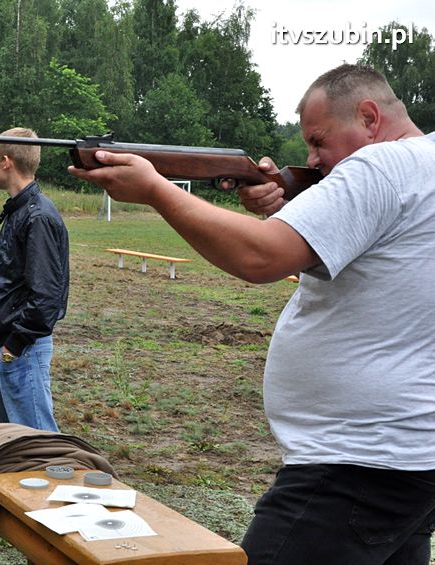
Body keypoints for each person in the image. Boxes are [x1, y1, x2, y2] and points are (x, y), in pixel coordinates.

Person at [69, 63, 435, 565]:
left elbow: (260, 258)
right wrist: (283, 208)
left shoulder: (379, 167)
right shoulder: (425, 166)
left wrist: (156, 189)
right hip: (410, 458)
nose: (312, 157)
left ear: (369, 118)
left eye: (319, 141)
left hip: (356, 464)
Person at [0, 128, 70, 433]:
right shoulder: (17, 211)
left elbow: (46, 294)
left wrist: (14, 345)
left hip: (21, 349)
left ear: (6, 161)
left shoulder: (38, 216)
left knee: (37, 444)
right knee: (9, 444)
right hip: (0, 344)